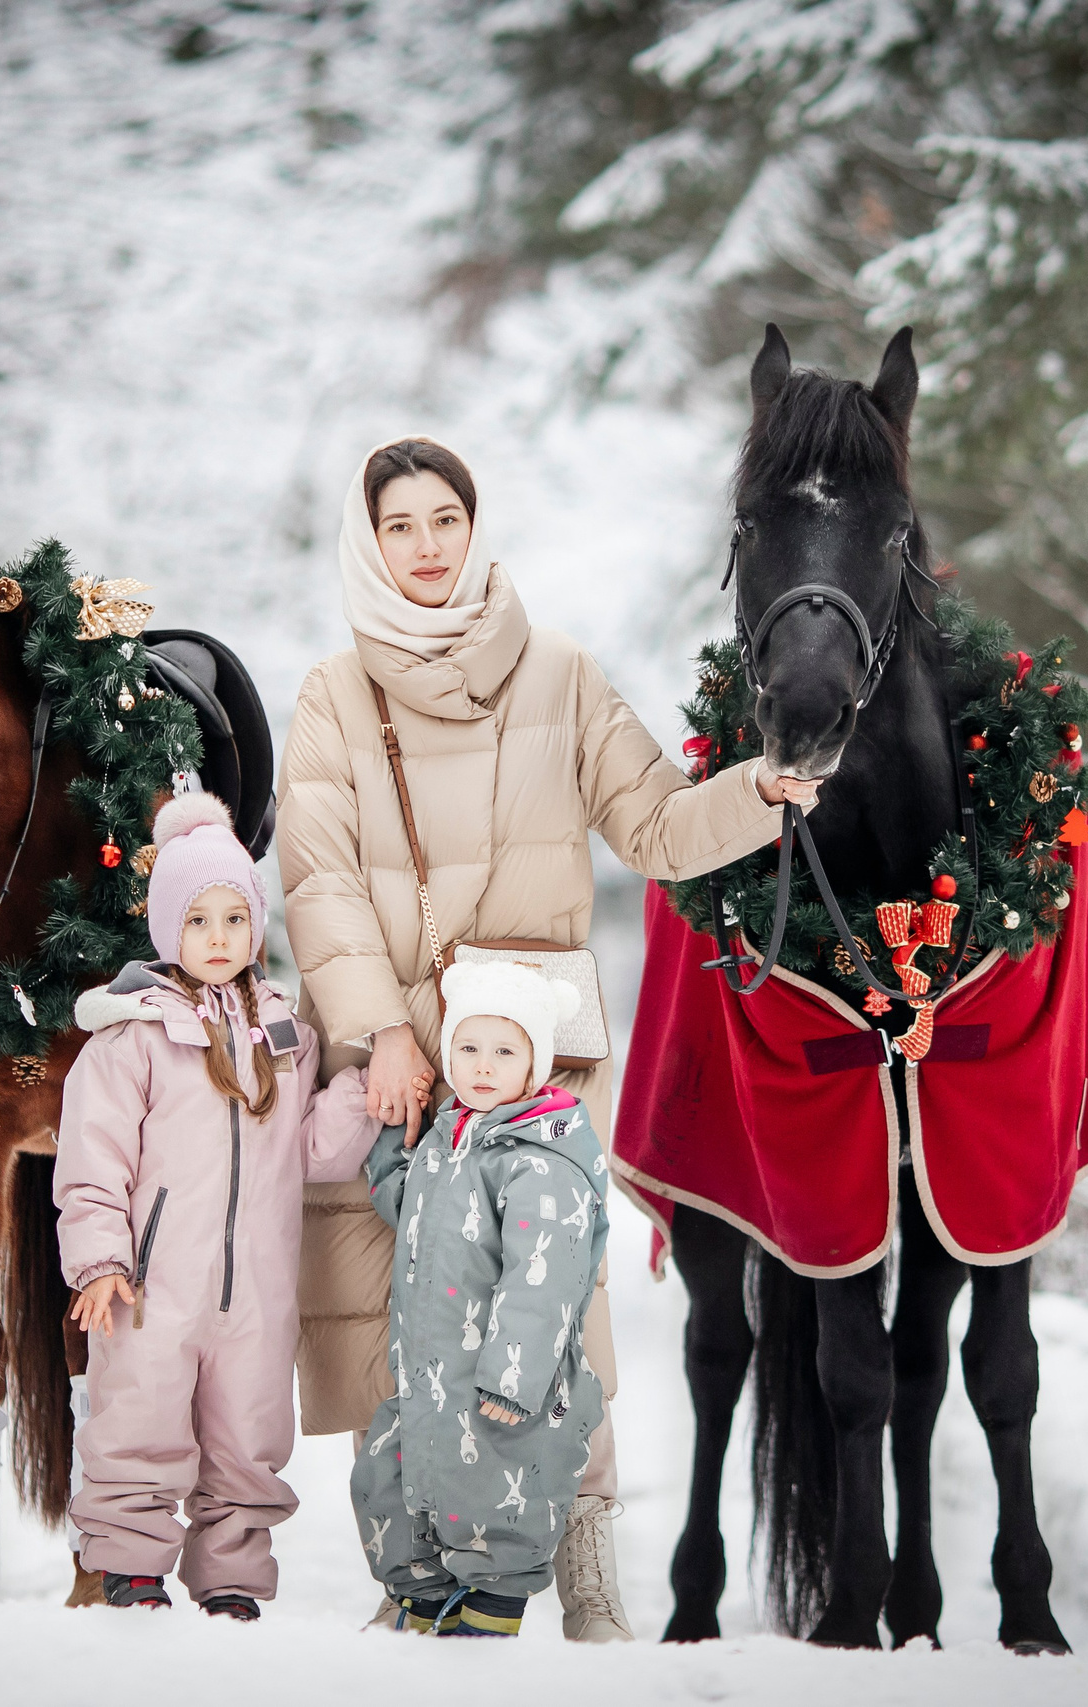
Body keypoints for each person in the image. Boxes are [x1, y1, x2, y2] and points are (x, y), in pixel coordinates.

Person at [278, 435, 819, 1639]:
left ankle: (586, 1571)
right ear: (370, 544)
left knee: (552, 1304)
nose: (426, 546)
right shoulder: (332, 694)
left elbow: (656, 825)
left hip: (527, 1059)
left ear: (476, 527)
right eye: (400, 526)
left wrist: (757, 793)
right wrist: (379, 1032)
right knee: (399, 1314)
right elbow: (317, 880)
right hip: (399, 1062)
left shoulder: (560, 673)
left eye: (444, 520)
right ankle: (414, 1575)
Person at [55, 792, 382, 1618]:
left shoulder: (283, 1035)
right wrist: (100, 1262)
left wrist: (355, 1092)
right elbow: (92, 1162)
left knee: (249, 1433)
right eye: (198, 920)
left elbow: (310, 1154)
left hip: (257, 1294)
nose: (218, 938)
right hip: (152, 1287)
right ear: (169, 927)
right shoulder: (133, 1036)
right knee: (138, 1418)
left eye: (236, 919)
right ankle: (130, 1565)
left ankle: (232, 1576)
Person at [352, 961, 608, 1637]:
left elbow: (543, 1278)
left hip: (501, 1386)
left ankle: (489, 1620)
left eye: (504, 1051)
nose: (484, 1066)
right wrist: (394, 1131)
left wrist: (515, 1377)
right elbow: (408, 1206)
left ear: (535, 1065)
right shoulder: (449, 1138)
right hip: (431, 1379)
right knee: (395, 1482)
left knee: (499, 1497)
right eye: (468, 1047)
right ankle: (424, 1603)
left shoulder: (540, 1161)